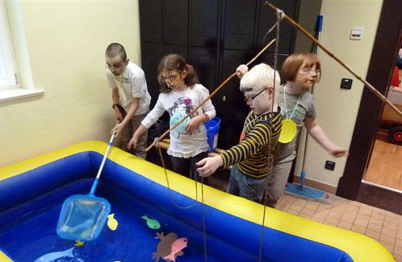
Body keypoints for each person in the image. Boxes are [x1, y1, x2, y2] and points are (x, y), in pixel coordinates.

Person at [245, 53, 347, 207]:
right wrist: (244, 74)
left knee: (273, 196)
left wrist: (330, 147)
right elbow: (251, 109)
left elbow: (313, 126)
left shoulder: (308, 100)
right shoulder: (273, 91)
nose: (313, 74)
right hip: (261, 154)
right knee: (252, 192)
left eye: (316, 70)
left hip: (284, 157)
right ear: (291, 70)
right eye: (307, 69)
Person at [196, 63, 282, 203]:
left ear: (270, 92)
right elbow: (258, 91)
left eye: (251, 97)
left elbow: (247, 146)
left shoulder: (267, 125)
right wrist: (245, 77)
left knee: (245, 212)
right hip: (239, 166)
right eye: (246, 97)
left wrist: (219, 160)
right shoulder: (262, 106)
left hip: (252, 178)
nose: (248, 103)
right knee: (231, 199)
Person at [128, 54, 216, 181]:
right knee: (182, 184)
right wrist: (136, 135)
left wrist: (199, 118)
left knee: (201, 183)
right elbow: (151, 117)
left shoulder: (198, 90)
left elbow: (212, 111)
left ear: (183, 73)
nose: (169, 81)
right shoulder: (165, 96)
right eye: (165, 78)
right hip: (177, 149)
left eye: (172, 76)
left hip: (198, 147)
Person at [105, 42, 151, 159]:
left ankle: (140, 170)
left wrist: (123, 124)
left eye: (117, 65)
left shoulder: (136, 74)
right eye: (109, 65)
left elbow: (136, 103)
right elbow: (115, 91)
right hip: (125, 106)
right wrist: (116, 108)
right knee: (126, 141)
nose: (113, 69)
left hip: (140, 110)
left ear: (127, 61)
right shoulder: (109, 71)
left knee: (139, 145)